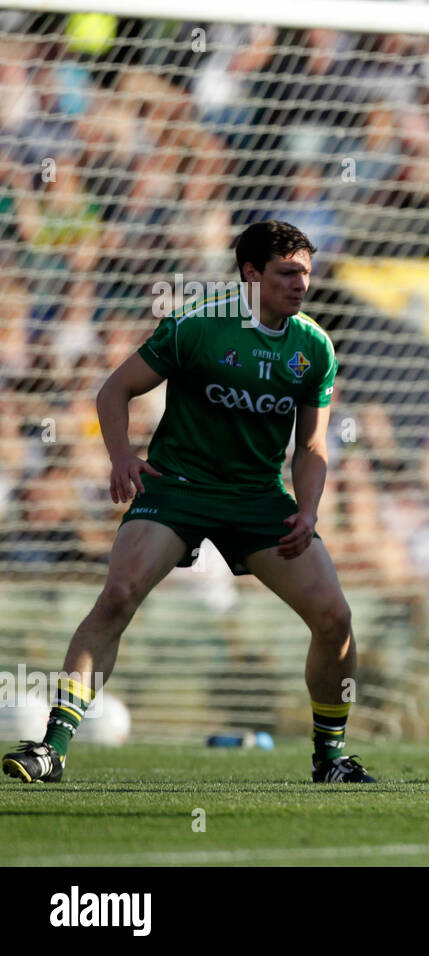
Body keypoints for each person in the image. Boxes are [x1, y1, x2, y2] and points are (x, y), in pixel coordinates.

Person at [2, 221, 375, 784]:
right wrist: (122, 456)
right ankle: (51, 748)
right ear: (251, 273)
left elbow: (313, 444)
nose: (302, 283)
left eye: (306, 271)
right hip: (177, 487)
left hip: (256, 498)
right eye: (287, 272)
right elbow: (114, 390)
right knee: (118, 595)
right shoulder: (198, 326)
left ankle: (330, 759)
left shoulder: (314, 347)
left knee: (335, 618)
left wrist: (308, 508)